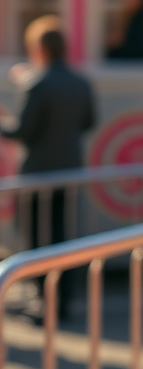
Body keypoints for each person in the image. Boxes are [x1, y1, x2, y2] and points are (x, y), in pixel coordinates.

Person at [0, 16, 96, 249]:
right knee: (64, 233)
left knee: (36, 236)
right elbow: (89, 122)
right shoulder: (81, 82)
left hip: (38, 174)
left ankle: (42, 284)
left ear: (39, 49)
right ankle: (66, 284)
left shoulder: (37, 85)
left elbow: (21, 131)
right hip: (70, 170)